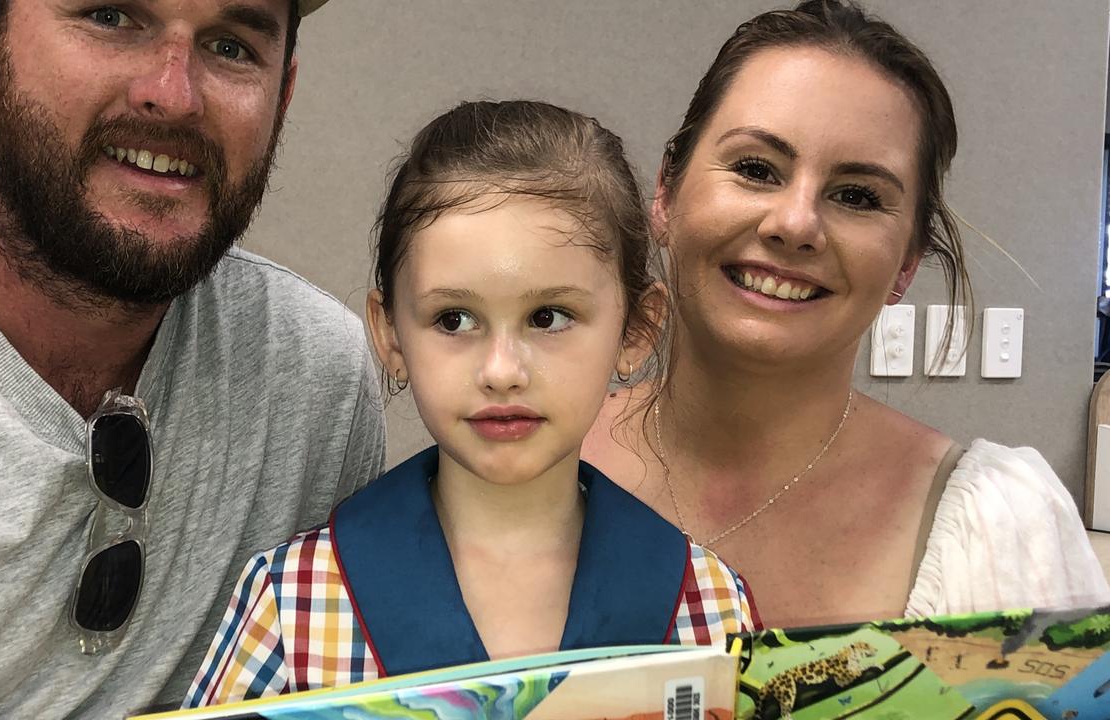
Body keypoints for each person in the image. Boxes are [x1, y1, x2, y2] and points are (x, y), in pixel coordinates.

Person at [0, 0, 384, 718]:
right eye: (112, 17)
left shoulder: (317, 382)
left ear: (282, 94)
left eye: (232, 46)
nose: (174, 95)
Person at [183, 99, 759, 707]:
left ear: (636, 330)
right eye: (453, 319)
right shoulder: (295, 599)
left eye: (549, 317)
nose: (502, 371)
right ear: (389, 334)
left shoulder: (708, 603)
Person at [584, 0, 1110, 629]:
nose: (796, 224)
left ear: (907, 263)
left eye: (857, 196)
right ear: (667, 193)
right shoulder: (519, 458)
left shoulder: (998, 533)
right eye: (756, 169)